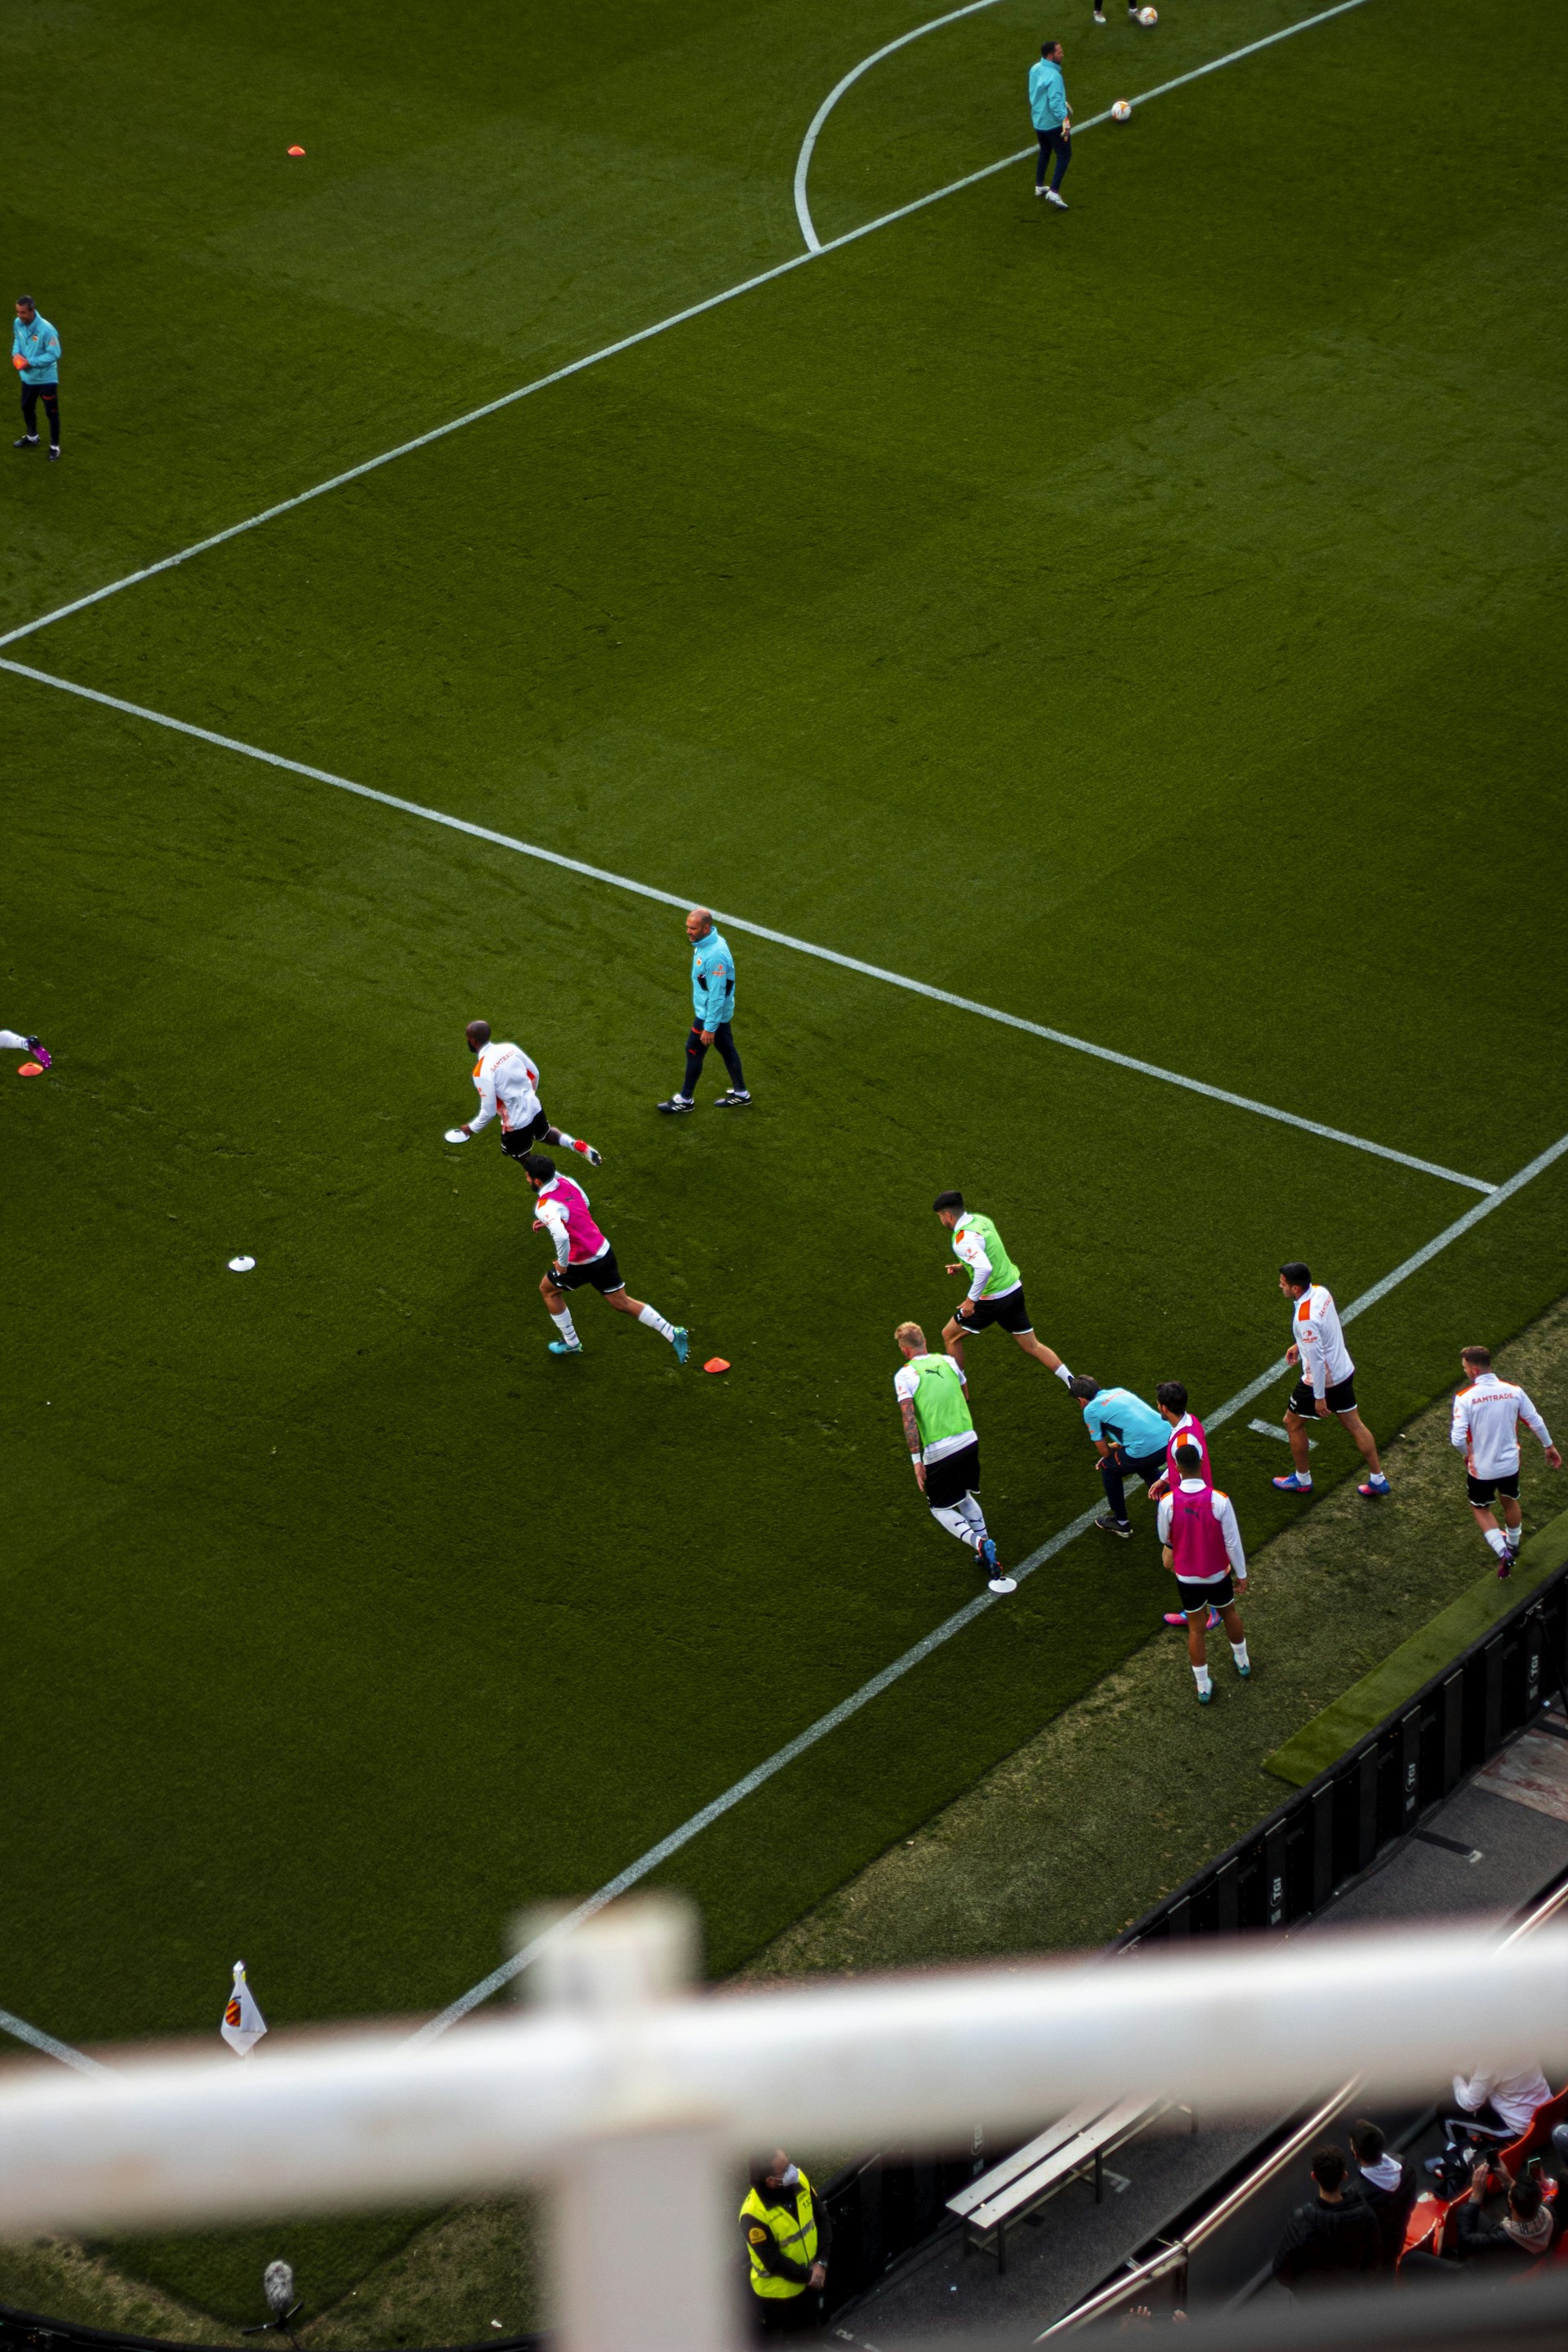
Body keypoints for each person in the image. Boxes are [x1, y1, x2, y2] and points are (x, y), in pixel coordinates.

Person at [520, 1153, 688, 1363]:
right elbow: (584, 1204)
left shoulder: (544, 1206)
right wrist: (553, 1221)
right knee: (621, 1302)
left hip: (580, 1263)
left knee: (548, 1291)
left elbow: (562, 1236)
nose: (527, 1180)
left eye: (527, 1177)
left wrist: (563, 1265)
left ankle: (571, 1344)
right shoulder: (567, 1182)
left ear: (536, 1180)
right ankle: (673, 1333)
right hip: (603, 1251)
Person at [894, 1322, 1015, 1593]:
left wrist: (916, 1460)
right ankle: (986, 1549)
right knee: (963, 1495)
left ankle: (979, 1543)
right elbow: (966, 1394)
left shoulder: (905, 1376)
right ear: (924, 1341)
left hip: (940, 1449)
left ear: (905, 1350)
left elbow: (909, 1419)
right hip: (968, 1438)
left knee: (939, 1507)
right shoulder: (947, 1361)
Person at [1272, 1263, 1391, 1499]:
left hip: (1322, 1381)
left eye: (1283, 1283)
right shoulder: (1321, 1292)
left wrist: (1318, 1398)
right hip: (1343, 1370)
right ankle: (1378, 1479)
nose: (1280, 1287)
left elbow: (1316, 1362)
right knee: (1354, 1424)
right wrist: (1299, 1344)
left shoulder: (1304, 1318)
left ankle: (1302, 1479)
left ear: (1295, 1288)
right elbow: (1323, 1329)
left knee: (1292, 1423)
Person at [933, 1193, 1072, 1383]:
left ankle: (960, 1387)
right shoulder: (982, 1220)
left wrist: (970, 1301)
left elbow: (984, 1267)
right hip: (1014, 1291)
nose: (941, 1221)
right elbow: (989, 1252)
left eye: (940, 1216)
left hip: (992, 1300)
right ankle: (1072, 1381)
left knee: (950, 1336)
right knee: (1033, 1346)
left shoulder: (961, 1239)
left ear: (948, 1215)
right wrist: (962, 1265)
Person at [1450, 1346, 1560, 1579]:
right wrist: (1549, 1447)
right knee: (1509, 1501)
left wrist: (1467, 1454)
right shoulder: (1514, 1391)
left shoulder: (1464, 1398)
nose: (1465, 1371)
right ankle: (1513, 1543)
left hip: (1482, 1469)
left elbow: (1457, 1437)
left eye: (1465, 1367)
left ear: (1475, 1368)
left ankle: (1503, 1552)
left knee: (1480, 1508)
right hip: (1510, 1464)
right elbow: (1535, 1421)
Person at [1156, 1445, 1250, 1704]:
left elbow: (1165, 1537)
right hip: (1218, 1573)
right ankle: (1242, 1661)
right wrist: (1241, 1574)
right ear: (1201, 1464)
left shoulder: (1167, 1502)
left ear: (1177, 1468)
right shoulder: (1219, 1499)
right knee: (1229, 1613)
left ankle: (1202, 1687)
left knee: (1196, 1630)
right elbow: (1232, 1541)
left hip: (1187, 1577)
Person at [445, 1021, 601, 1164]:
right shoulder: (509, 1048)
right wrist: (528, 1095)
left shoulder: (481, 1071)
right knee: (545, 1134)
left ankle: (551, 1181)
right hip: (534, 1106)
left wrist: (471, 1128)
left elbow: (489, 1110)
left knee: (522, 1157)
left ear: (473, 1041)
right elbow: (535, 1073)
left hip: (516, 1122)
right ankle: (573, 1144)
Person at [657, 907, 749, 1113]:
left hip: (710, 1013)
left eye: (693, 928)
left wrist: (709, 1027)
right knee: (727, 1049)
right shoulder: (709, 942)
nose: (688, 932)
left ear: (706, 928)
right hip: (714, 1011)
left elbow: (717, 994)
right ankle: (742, 1093)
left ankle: (685, 1100)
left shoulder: (714, 956)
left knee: (693, 1050)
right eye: (688, 927)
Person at [740, 2149, 831, 2332]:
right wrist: (810, 2277)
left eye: (789, 2162)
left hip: (809, 2282)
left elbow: (822, 2219)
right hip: (777, 2295)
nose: (793, 2170)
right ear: (771, 2181)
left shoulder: (800, 2181)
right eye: (785, 2168)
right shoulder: (753, 2214)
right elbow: (773, 2261)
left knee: (810, 2333)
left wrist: (821, 2262)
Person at [1271, 2145, 1383, 2291]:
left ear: (1314, 2176)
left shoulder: (1300, 2221)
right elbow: (1375, 2259)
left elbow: (1282, 2272)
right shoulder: (1366, 2215)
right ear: (1344, 2175)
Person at [1068, 1375, 1168, 1537]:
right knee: (1140, 1462)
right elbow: (1134, 1428)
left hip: (1146, 1449)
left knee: (1108, 1468)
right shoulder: (1118, 1391)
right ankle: (1169, 1500)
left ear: (1081, 1400)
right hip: (1169, 1439)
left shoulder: (1090, 1410)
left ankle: (1121, 1523)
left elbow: (1104, 1452)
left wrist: (1112, 1456)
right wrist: (1118, 1450)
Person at [1152, 1381, 1217, 1629]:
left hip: (1191, 1509)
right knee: (1189, 1560)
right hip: (1196, 1504)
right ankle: (1203, 1607)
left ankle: (1208, 1607)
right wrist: (1162, 1479)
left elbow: (1190, 1473)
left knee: (1172, 1562)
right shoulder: (1189, 1424)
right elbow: (1183, 1466)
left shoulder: (1183, 1440)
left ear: (1165, 1407)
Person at [1450, 2155, 1557, 2269]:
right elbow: (1526, 2199)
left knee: (1463, 2211)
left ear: (1511, 2205)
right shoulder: (1549, 2211)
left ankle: (1463, 2268)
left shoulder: (1501, 2239)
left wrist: (1475, 2197)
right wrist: (1507, 2180)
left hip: (1503, 2271)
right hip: (1530, 2259)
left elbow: (1466, 2240)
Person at [1346, 2118, 1415, 2270]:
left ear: (1356, 2154)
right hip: (1397, 2240)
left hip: (1372, 2260)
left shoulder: (1355, 2197)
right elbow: (1411, 2204)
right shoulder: (1406, 2167)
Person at [1450, 2063, 1553, 2141]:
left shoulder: (1488, 2064)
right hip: (1550, 2115)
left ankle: (1462, 2154)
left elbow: (1469, 2103)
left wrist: (1456, 2077)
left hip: (1522, 2130)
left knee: (1444, 2111)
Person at [11, 296, 60, 458]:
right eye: (18, 312)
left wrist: (30, 362)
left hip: (46, 379)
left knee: (51, 413)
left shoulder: (47, 329)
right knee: (26, 407)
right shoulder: (18, 323)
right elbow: (17, 341)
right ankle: (32, 437)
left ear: (32, 311)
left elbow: (54, 353)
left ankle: (54, 447)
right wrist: (16, 354)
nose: (20, 315)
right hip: (28, 378)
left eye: (23, 312)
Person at [1029, 41, 1071, 210]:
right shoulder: (1055, 76)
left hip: (1038, 120)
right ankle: (1054, 191)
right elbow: (1054, 104)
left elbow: (1039, 94)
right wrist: (1065, 119)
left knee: (1045, 151)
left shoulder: (1035, 69)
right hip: (1053, 124)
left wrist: (1062, 102)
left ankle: (1039, 186)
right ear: (1050, 55)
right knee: (1064, 155)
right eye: (1059, 52)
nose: (1062, 55)